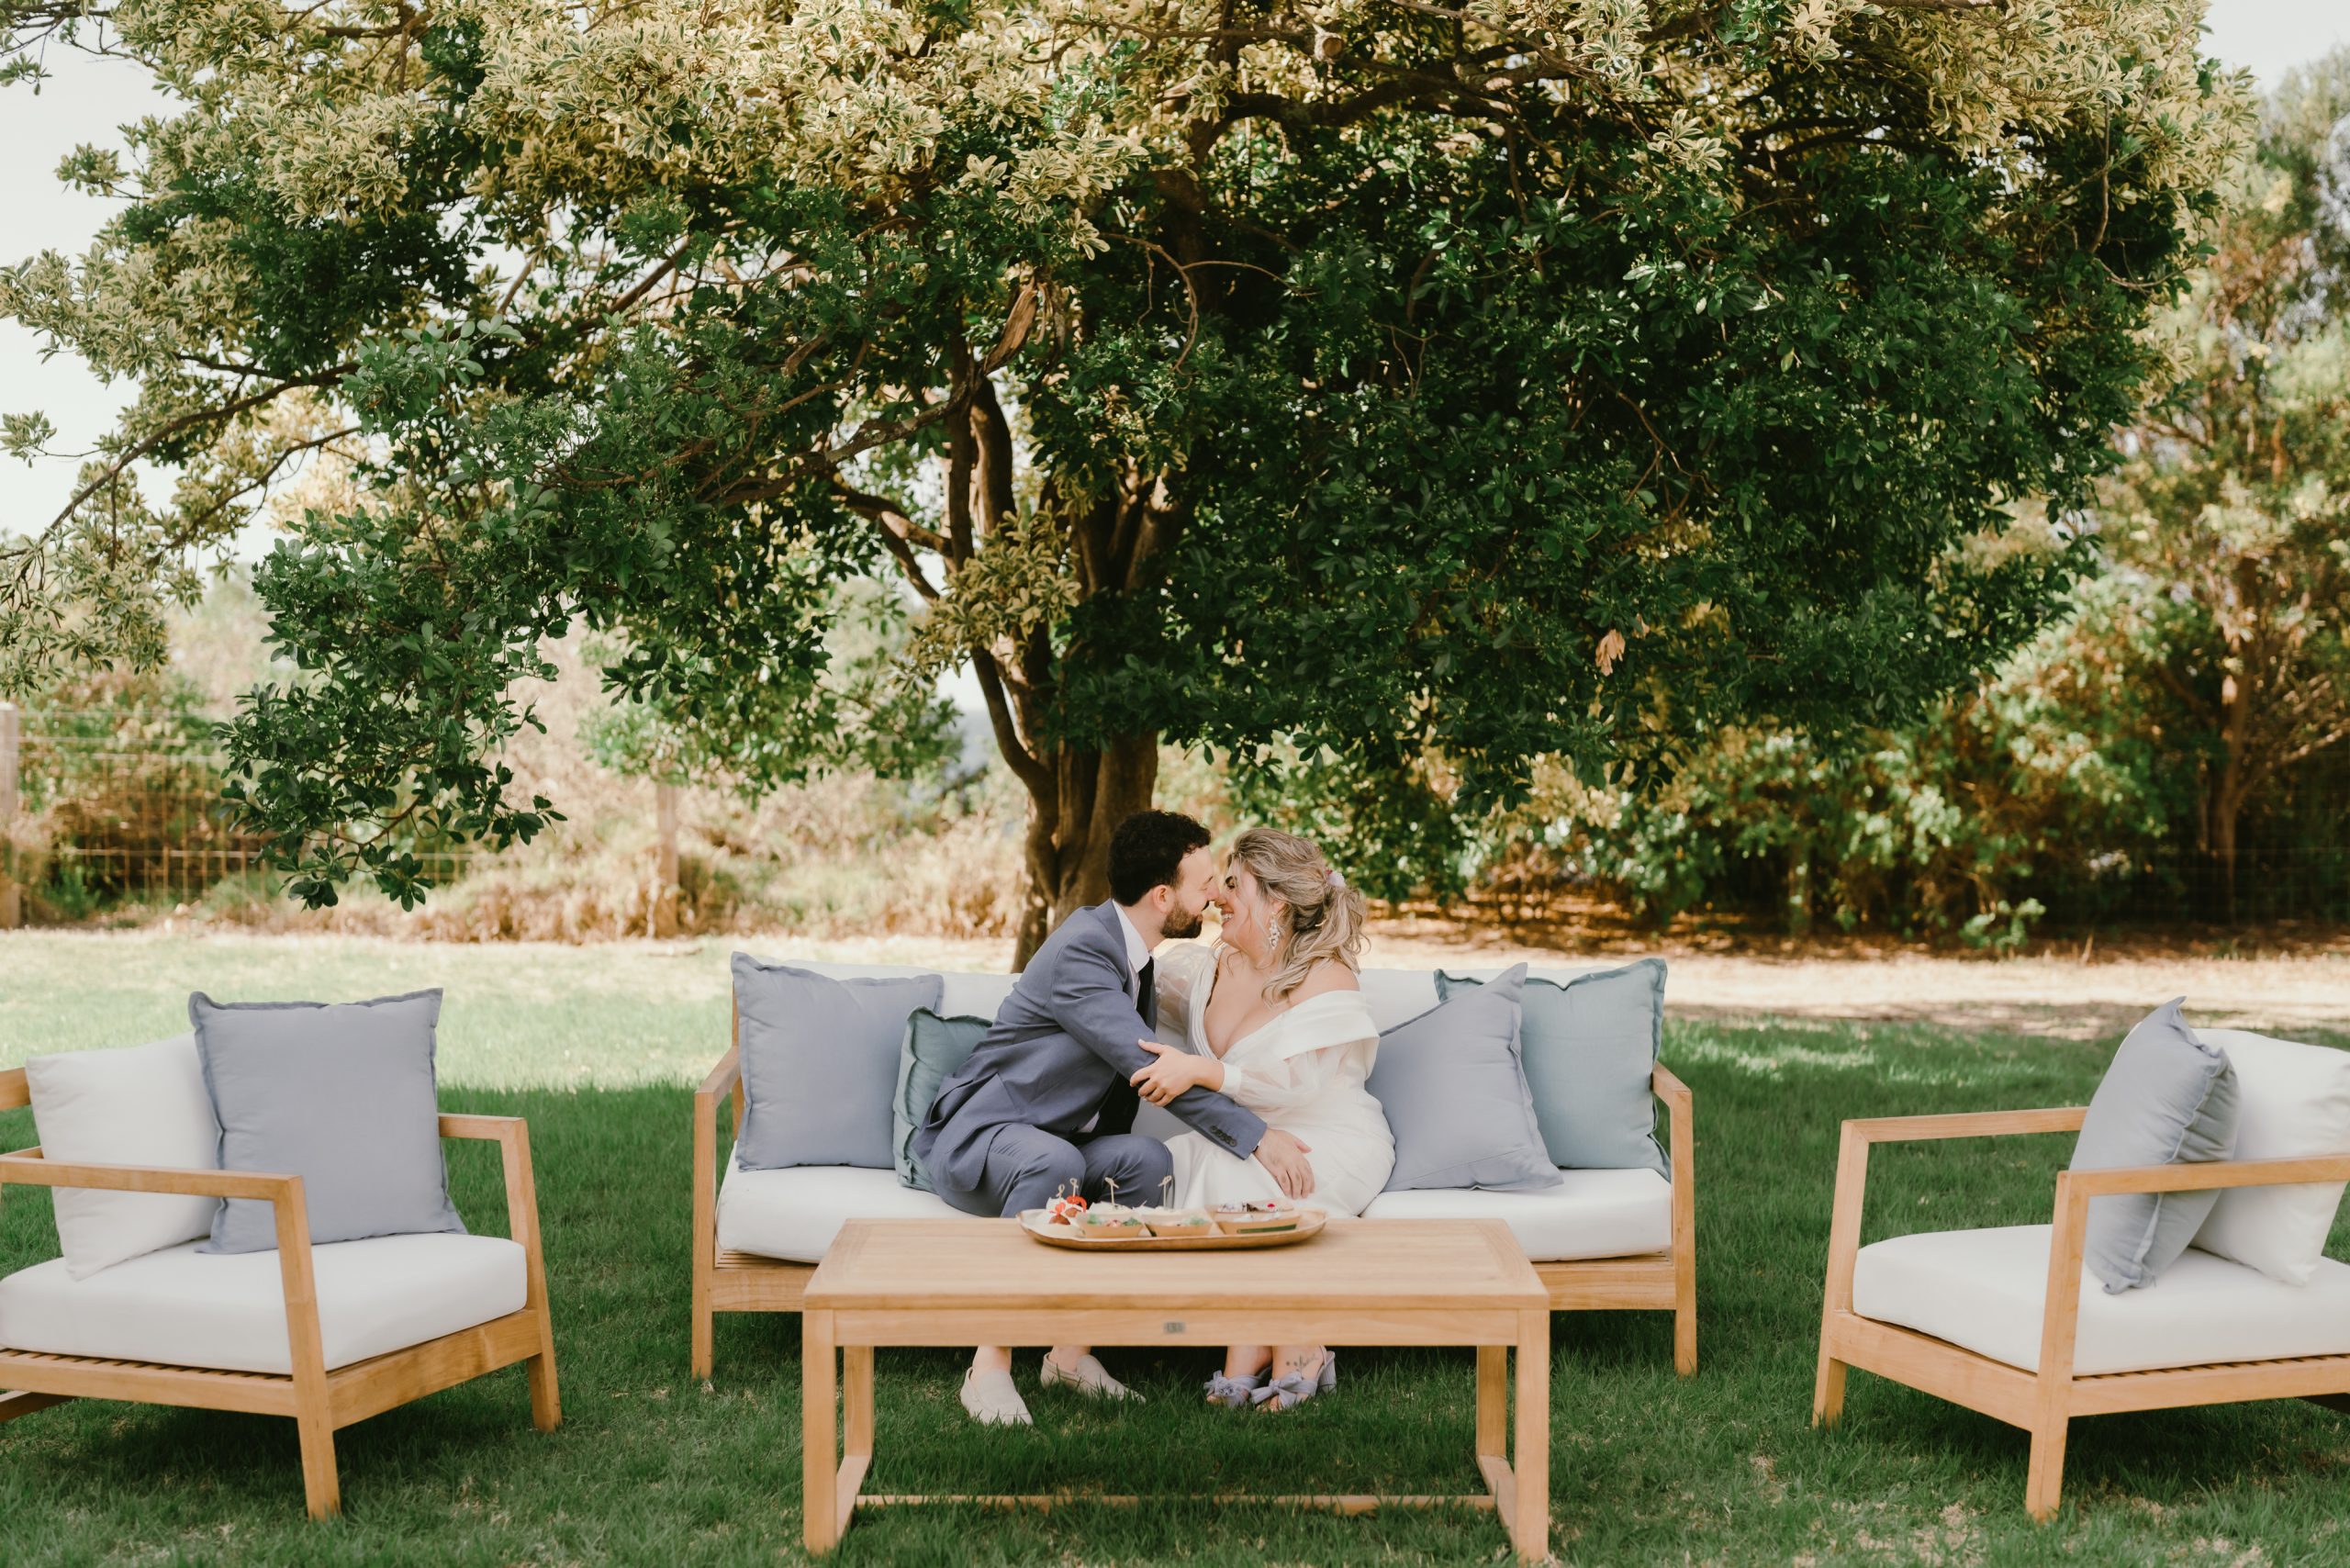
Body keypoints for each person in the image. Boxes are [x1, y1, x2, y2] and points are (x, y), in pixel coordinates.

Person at [912, 810, 1318, 1427]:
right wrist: (1258, 1138)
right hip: (985, 1140)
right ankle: (988, 1365)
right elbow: (1152, 1069)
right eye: (1205, 883)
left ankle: (1069, 1355)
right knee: (1053, 1161)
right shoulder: (1084, 951)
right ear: (1163, 897)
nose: (1216, 894)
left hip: (1054, 1141)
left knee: (1146, 1161)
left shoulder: (1135, 954)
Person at [1128, 826, 1392, 1411]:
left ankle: (1288, 1347)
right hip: (1251, 1138)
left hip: (1327, 1139)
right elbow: (1129, 982)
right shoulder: (1207, 968)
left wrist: (1203, 1071)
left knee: (1232, 1171)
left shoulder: (1325, 976)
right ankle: (1254, 1342)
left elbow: (1296, 1084)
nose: (1218, 896)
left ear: (1276, 903)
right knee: (1199, 1161)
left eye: (1234, 884)